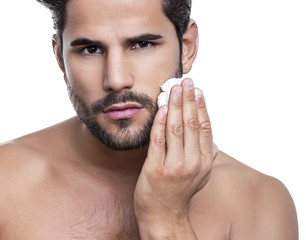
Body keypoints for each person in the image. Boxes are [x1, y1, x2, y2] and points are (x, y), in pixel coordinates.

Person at [0, 0, 299, 239]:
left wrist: (165, 220)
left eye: (142, 44)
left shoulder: (258, 203)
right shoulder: (7, 182)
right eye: (90, 49)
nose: (116, 80)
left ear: (187, 47)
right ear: (59, 58)